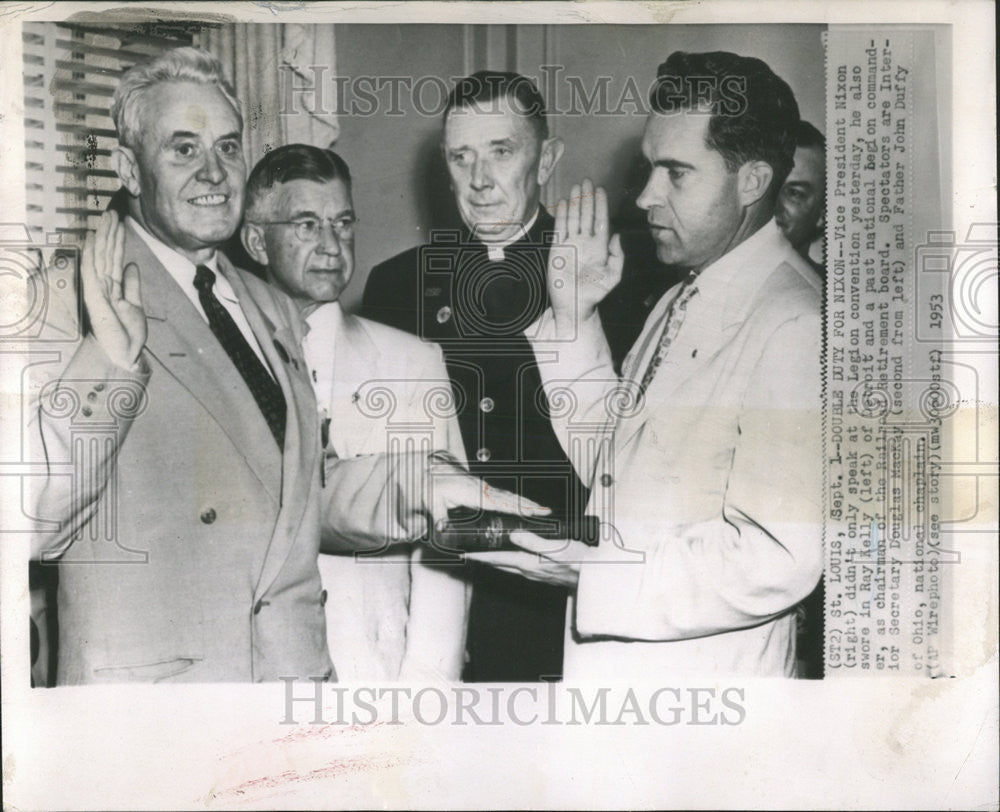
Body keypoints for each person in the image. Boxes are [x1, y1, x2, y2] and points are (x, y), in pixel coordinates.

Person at [27, 47, 534, 685]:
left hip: (288, 690)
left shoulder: (264, 304)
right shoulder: (62, 300)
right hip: (158, 710)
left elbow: (302, 493)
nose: (214, 172)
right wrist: (110, 364)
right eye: (183, 149)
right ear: (130, 168)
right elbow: (28, 523)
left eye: (229, 148)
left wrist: (421, 487)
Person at [471, 51, 823, 678]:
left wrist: (595, 571)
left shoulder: (795, 322)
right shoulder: (684, 292)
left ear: (751, 181)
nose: (643, 197)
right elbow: (615, 464)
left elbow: (779, 555)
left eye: (676, 173)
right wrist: (574, 317)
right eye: (649, 168)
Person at [362, 71, 585, 681]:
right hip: (434, 602)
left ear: (546, 160)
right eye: (461, 158)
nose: (480, 181)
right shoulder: (397, 286)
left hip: (561, 610)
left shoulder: (610, 276)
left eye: (501, 153)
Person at [241, 144, 470, 680]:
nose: (330, 245)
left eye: (342, 223)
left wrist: (427, 686)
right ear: (256, 240)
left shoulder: (410, 362)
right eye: (305, 224)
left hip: (378, 674)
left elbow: (449, 538)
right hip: (256, 676)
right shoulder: (228, 365)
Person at [776, 120, 826, 275]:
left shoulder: (830, 294)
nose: (772, 204)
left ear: (823, 214)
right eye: (768, 185)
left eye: (794, 193)